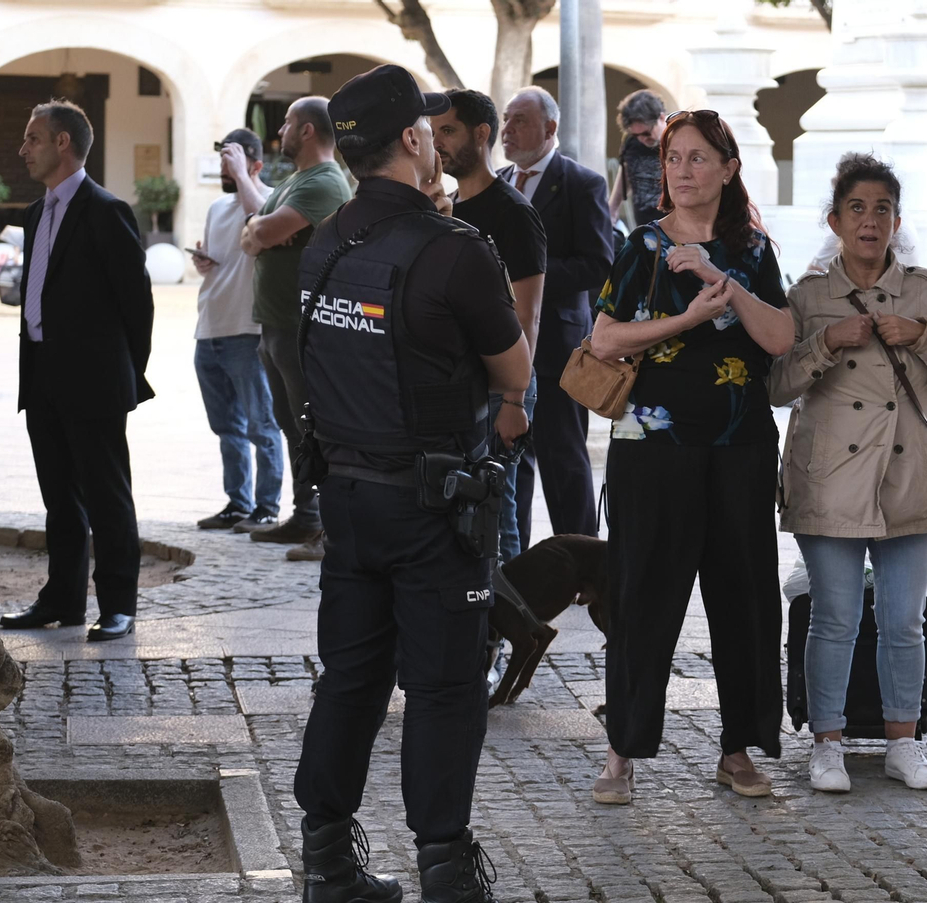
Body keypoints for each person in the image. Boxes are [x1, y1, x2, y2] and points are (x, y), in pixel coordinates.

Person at [291, 65, 531, 903]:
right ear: (411, 140)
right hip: (432, 510)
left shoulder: (325, 240)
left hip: (347, 499)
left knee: (350, 678)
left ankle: (326, 862)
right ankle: (447, 872)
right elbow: (516, 368)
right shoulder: (453, 251)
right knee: (443, 686)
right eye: (426, 126)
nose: (435, 136)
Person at [589, 110, 794, 805]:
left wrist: (723, 283)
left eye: (699, 158)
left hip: (739, 449)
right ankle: (622, 752)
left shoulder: (754, 250)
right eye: (674, 157)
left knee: (744, 599)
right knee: (643, 595)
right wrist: (688, 317)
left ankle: (737, 748)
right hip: (651, 449)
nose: (681, 169)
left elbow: (780, 339)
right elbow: (605, 342)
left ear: (729, 170)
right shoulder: (640, 245)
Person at [768, 153, 927, 795]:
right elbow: (775, 386)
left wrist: (923, 337)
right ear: (835, 219)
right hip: (830, 474)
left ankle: (903, 742)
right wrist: (827, 344)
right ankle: (826, 743)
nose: (869, 220)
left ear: (896, 219)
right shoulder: (808, 296)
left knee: (903, 621)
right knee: (834, 617)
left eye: (882, 208)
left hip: (908, 474)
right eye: (857, 208)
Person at [0, 101, 153, 642]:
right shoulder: (36, 212)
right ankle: (62, 598)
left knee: (107, 496)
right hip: (40, 375)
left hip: (95, 382)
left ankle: (118, 604)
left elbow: (139, 306)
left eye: (32, 138)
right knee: (60, 497)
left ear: (63, 143)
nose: (24, 149)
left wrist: (125, 377)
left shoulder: (106, 210)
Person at [432, 88, 548, 562]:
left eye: (449, 131)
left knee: (495, 520)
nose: (437, 142)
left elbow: (527, 314)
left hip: (502, 386)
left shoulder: (514, 213)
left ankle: (502, 629)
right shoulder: (449, 207)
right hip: (457, 383)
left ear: (482, 135)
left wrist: (514, 400)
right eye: (433, 132)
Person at [239, 96, 354, 561]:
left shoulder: (325, 182)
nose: (279, 130)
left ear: (306, 130)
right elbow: (254, 232)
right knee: (292, 426)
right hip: (276, 324)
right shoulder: (295, 180)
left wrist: (263, 232)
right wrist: (261, 229)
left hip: (302, 327)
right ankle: (306, 517)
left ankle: (332, 530)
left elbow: (259, 236)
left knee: (315, 429)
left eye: (286, 122)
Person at [499, 87, 611, 547]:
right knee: (510, 453)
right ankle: (517, 556)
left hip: (557, 343)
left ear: (550, 128)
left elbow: (598, 263)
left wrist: (528, 278)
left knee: (562, 453)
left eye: (519, 120)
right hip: (503, 340)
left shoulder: (581, 183)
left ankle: (581, 558)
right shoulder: (498, 181)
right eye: (506, 119)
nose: (507, 129)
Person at [190, 128, 284, 532]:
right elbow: (226, 257)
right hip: (209, 327)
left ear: (256, 165)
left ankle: (267, 507)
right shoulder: (216, 208)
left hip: (247, 331)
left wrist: (244, 175)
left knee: (261, 424)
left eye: (234, 162)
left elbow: (262, 222)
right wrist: (204, 262)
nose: (226, 169)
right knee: (226, 426)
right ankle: (237, 501)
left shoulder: (272, 198)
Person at [609, 89, 665, 228]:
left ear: (662, 118)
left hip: (676, 226)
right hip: (644, 226)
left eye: (646, 133)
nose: (642, 139)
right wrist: (612, 209)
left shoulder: (678, 140)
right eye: (636, 135)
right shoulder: (631, 142)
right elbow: (627, 172)